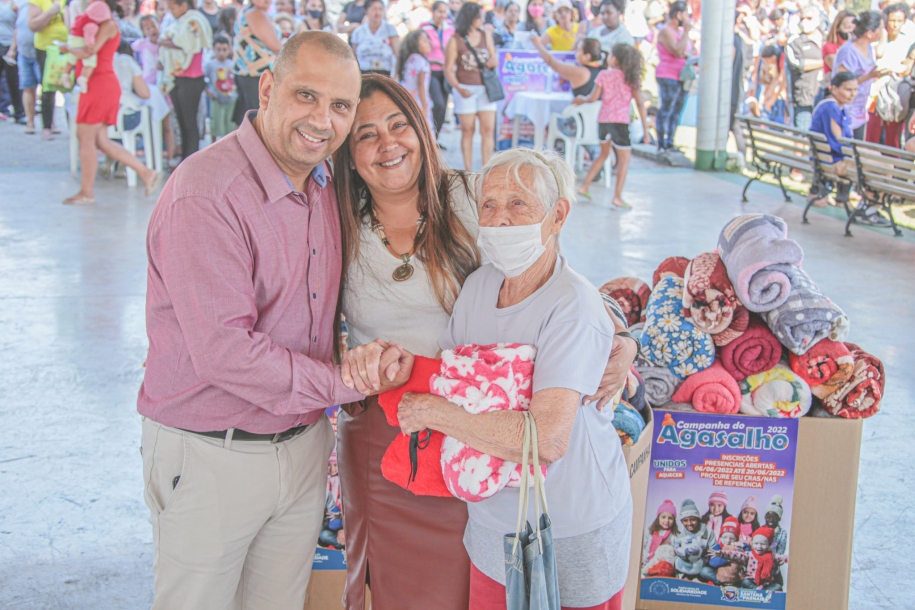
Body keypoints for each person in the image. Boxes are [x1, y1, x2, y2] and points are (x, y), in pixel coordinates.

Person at [333, 74, 638, 610]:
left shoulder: (471, 196)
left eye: (399, 124)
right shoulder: (334, 220)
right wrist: (362, 364)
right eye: (365, 134)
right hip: (392, 432)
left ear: (422, 131)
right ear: (347, 150)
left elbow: (553, 271)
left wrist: (619, 338)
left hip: (482, 450)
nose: (387, 144)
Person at [139, 32, 399, 610]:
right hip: (212, 455)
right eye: (306, 96)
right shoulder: (208, 193)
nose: (321, 121)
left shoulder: (327, 186)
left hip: (301, 445)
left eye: (339, 106)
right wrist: (343, 382)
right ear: (268, 87)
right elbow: (225, 350)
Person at [394, 147, 634, 610]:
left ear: (558, 215)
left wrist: (433, 413)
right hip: (491, 523)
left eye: (519, 203)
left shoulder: (574, 306)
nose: (500, 219)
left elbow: (546, 439)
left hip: (567, 531)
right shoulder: (480, 285)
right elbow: (453, 374)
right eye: (489, 204)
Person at [64, 0, 157, 204]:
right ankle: (145, 172)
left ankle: (87, 192)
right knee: (100, 141)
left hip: (100, 84)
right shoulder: (101, 24)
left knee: (86, 137)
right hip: (97, 84)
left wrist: (66, 48)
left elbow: (89, 51)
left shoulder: (107, 25)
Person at [573, 42, 649, 208]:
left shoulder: (603, 76)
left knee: (603, 154)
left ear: (614, 59)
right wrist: (646, 130)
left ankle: (585, 186)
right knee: (624, 160)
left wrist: (582, 100)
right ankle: (617, 196)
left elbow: (593, 98)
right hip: (620, 123)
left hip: (603, 121)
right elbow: (640, 104)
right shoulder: (631, 79)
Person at [158, 0, 212, 161]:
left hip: (191, 79)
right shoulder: (179, 21)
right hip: (177, 77)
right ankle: (184, 159)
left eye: (173, 7)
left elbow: (188, 44)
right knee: (181, 121)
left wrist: (161, 42)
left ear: (183, 5)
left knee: (189, 123)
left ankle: (191, 161)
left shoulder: (193, 20)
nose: (170, 11)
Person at [445, 2, 497, 170]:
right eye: (479, 17)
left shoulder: (485, 35)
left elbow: (494, 59)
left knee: (488, 130)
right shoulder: (455, 40)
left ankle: (486, 168)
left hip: (485, 89)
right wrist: (459, 89)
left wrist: (492, 62)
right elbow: (448, 69)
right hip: (465, 88)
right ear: (470, 18)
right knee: (467, 130)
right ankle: (468, 170)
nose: (482, 20)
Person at [806, 71, 855, 209]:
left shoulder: (837, 107)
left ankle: (842, 197)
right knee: (880, 166)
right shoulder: (831, 108)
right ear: (833, 88)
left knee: (874, 161)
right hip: (828, 161)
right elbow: (838, 143)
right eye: (848, 89)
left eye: (855, 89)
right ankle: (871, 205)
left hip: (826, 159)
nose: (853, 94)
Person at [834, 11, 886, 139]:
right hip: (845, 111)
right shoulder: (848, 51)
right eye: (880, 29)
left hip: (860, 112)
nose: (882, 32)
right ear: (870, 33)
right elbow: (841, 82)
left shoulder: (869, 48)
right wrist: (869, 76)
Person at [866, 3, 911, 147]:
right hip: (875, 91)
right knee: (872, 133)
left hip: (896, 94)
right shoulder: (877, 37)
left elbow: (906, 67)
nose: (895, 25)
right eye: (892, 21)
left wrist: (894, 68)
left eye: (899, 21)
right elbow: (877, 56)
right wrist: (884, 36)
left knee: (893, 137)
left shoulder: (908, 40)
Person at [27, 0, 68, 139]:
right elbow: (32, 25)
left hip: (69, 47)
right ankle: (47, 127)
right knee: (48, 88)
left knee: (70, 87)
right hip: (46, 49)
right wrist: (51, 12)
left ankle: (74, 129)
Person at [655, 0, 692, 153]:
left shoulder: (680, 33)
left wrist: (685, 49)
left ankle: (670, 141)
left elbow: (690, 52)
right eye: (686, 14)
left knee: (677, 110)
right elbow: (677, 51)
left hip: (682, 76)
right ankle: (661, 142)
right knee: (666, 108)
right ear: (678, 14)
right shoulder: (665, 31)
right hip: (668, 75)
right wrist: (687, 33)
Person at [785, 5, 822, 131]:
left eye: (809, 18)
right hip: (804, 96)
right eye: (803, 18)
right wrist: (824, 62)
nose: (805, 22)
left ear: (818, 20)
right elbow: (798, 64)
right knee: (803, 136)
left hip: (823, 95)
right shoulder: (795, 41)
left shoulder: (826, 39)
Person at [421, 0, 452, 136]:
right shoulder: (425, 28)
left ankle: (435, 139)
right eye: (440, 11)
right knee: (438, 103)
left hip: (446, 72)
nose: (442, 15)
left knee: (444, 107)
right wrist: (435, 61)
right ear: (433, 11)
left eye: (445, 12)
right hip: (431, 70)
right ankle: (429, 134)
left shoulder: (450, 28)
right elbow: (421, 49)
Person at [350, 0, 399, 75]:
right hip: (364, 74)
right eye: (374, 9)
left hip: (385, 74)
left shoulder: (390, 29)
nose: (378, 13)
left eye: (380, 9)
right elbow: (354, 58)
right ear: (366, 10)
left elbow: (398, 54)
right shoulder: (358, 32)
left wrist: (396, 75)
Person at [397, 28, 432, 129]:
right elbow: (420, 85)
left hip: (409, 100)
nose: (428, 43)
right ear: (415, 44)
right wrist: (425, 107)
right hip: (419, 101)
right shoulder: (420, 61)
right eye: (424, 41)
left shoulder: (410, 59)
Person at [204, 33, 236, 140]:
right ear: (213, 49)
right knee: (216, 125)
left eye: (224, 49)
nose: (221, 52)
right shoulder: (210, 65)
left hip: (231, 99)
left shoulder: (232, 64)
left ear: (229, 49)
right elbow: (203, 80)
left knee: (230, 126)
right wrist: (208, 92)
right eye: (218, 49)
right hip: (216, 99)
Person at [15, 0, 39, 131]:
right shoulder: (22, 5)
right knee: (27, 87)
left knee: (47, 90)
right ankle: (30, 122)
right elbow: (17, 28)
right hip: (23, 52)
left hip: (41, 52)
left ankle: (50, 123)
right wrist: (13, 50)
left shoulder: (45, 3)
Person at [0, 0, 24, 123]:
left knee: (13, 80)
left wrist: (12, 49)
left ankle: (19, 113)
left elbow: (19, 26)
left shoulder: (16, 4)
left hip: (10, 45)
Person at [821, 9, 854, 81]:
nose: (851, 32)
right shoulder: (829, 47)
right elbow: (840, 69)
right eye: (847, 27)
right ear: (837, 28)